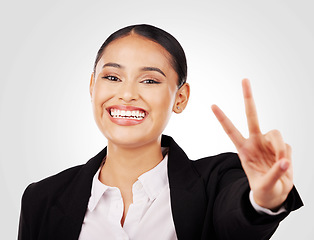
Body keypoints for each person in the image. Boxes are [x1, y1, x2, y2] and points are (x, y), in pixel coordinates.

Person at [18, 24, 303, 240]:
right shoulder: (42, 199)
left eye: (150, 80)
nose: (127, 94)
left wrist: (262, 201)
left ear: (180, 98)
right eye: (112, 77)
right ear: (93, 86)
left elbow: (235, 221)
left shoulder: (217, 181)